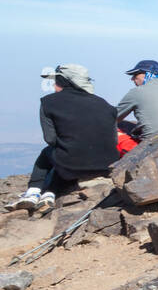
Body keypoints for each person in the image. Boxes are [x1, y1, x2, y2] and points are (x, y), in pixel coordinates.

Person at [8, 65, 117, 216]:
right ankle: (50, 193)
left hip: (71, 166)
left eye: (56, 81)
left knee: (49, 153)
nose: (53, 85)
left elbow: (50, 139)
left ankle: (33, 192)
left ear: (63, 81)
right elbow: (113, 139)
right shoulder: (106, 105)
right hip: (106, 166)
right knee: (67, 155)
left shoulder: (48, 102)